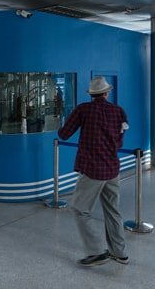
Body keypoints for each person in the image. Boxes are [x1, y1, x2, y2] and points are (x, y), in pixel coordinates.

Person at [58, 76, 129, 267]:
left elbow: (63, 133)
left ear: (92, 94)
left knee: (80, 210)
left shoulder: (84, 109)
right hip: (113, 168)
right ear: (107, 93)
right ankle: (119, 252)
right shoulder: (119, 112)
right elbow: (121, 140)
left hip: (92, 170)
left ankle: (97, 251)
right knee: (113, 211)